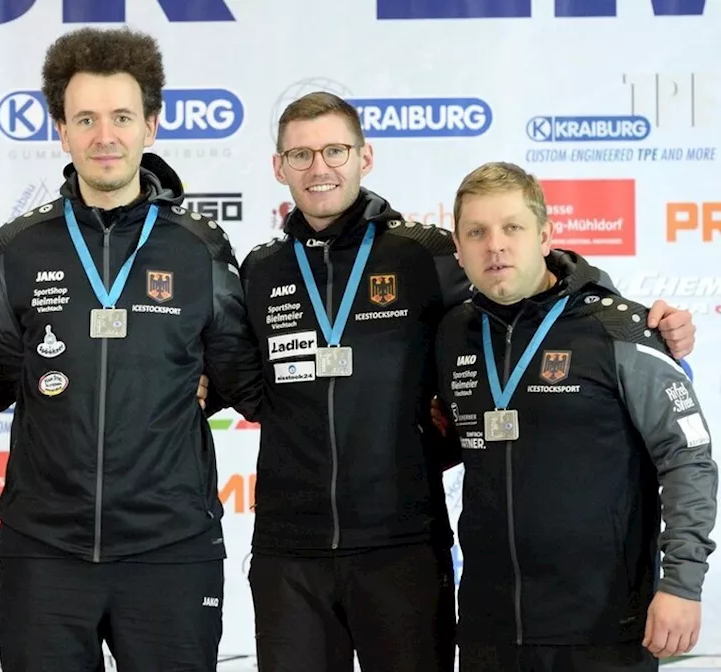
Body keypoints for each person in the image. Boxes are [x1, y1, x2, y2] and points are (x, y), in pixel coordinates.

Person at [237, 92, 697, 672]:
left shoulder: (420, 254)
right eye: (300, 155)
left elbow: (535, 287)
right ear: (278, 167)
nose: (319, 168)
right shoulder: (259, 268)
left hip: (402, 545)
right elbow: (232, 365)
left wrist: (640, 321)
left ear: (365, 156)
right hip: (291, 548)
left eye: (334, 150)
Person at [0, 26, 264, 672]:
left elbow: (239, 375)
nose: (104, 135)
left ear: (152, 125)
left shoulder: (199, 248)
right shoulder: (20, 246)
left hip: (170, 548)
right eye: (85, 118)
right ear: (61, 130)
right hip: (44, 552)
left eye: (121, 117)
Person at [433, 161, 717, 671]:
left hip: (604, 629)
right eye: (477, 232)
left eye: (512, 228)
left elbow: (688, 459)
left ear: (545, 235)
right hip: (488, 630)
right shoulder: (453, 334)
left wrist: (681, 583)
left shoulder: (621, 328)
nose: (494, 245)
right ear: (458, 248)